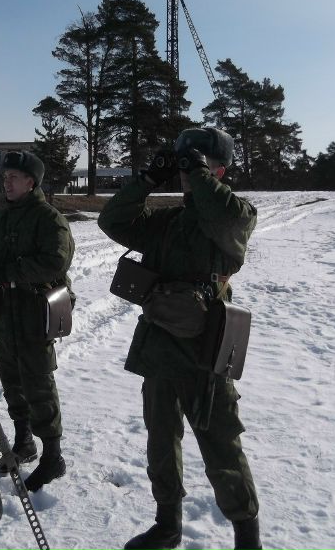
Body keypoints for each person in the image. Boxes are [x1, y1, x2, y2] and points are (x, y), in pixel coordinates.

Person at [98, 128, 262, 550]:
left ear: (220, 171)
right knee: (160, 442)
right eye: (185, 165)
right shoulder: (168, 221)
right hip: (159, 349)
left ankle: (247, 537)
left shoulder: (235, 216)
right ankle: (167, 524)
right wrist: (148, 180)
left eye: (201, 164)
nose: (188, 172)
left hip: (206, 353)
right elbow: (112, 220)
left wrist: (199, 174)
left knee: (220, 446)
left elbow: (225, 218)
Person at [0, 150, 75, 492]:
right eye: (5, 178)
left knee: (39, 384)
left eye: (13, 178)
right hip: (6, 316)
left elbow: (56, 261)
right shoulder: (2, 218)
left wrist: (12, 271)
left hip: (34, 314)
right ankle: (23, 442)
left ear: (31, 182)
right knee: (12, 381)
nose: (7, 183)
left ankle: (53, 457)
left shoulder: (49, 219)